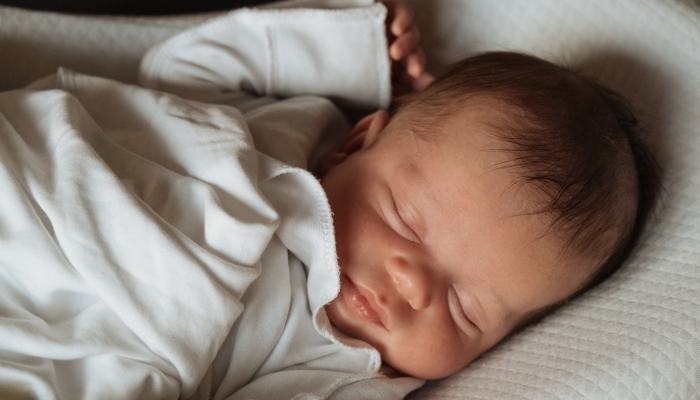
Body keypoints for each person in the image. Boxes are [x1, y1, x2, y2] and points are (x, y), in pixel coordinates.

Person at [0, 0, 659, 399]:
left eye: (465, 309)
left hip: (72, 344)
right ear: (355, 145)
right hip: (51, 193)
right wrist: (347, 54)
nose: (412, 284)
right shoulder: (295, 129)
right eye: (403, 219)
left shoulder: (345, 379)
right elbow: (173, 75)